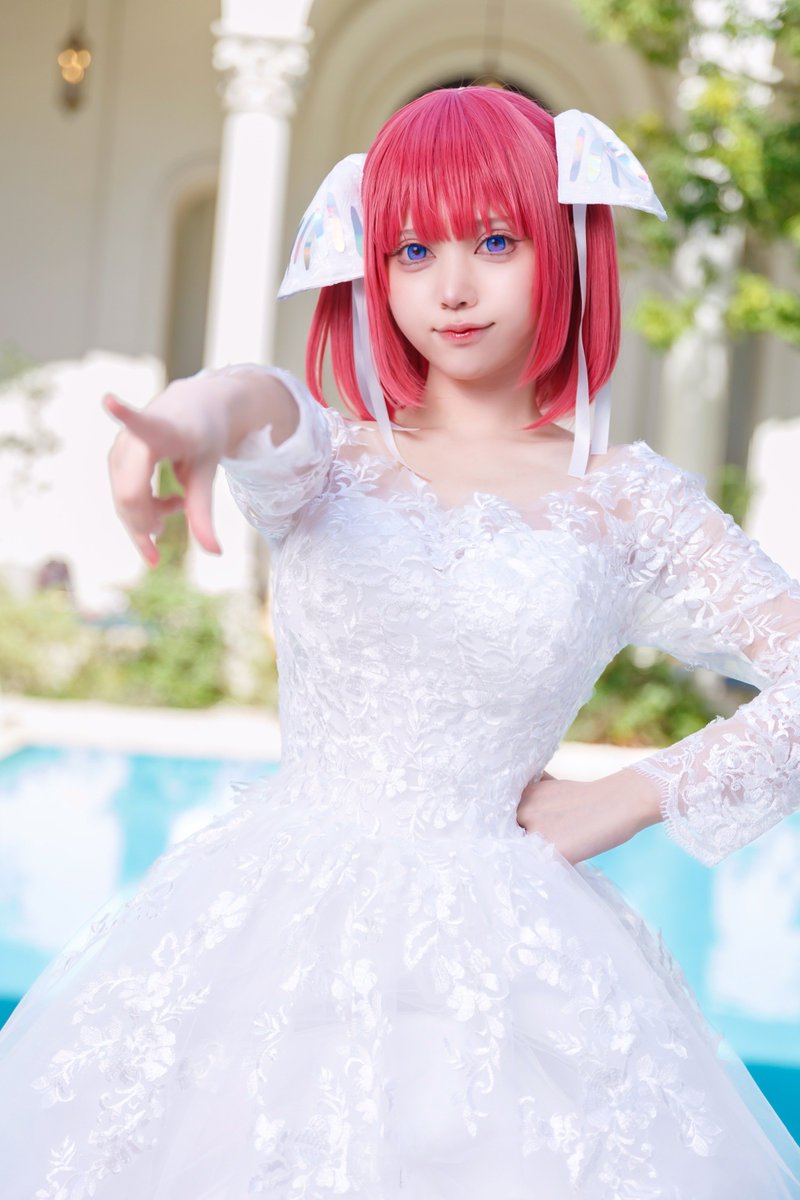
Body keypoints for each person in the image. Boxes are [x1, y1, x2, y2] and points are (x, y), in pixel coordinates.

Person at [1, 85, 799, 1199]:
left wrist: (636, 793)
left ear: (564, 243)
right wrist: (192, 414)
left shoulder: (627, 502)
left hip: (510, 951)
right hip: (275, 928)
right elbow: (261, 407)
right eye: (412, 250)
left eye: (494, 240)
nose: (451, 287)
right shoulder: (329, 461)